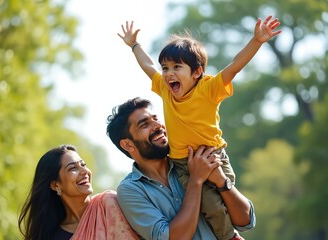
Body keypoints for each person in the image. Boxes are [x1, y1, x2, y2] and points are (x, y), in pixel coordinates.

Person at [118, 16, 280, 240]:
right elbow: (147, 65)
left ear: (196, 72)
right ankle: (230, 237)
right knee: (210, 205)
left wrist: (256, 41)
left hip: (214, 157)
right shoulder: (166, 90)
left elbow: (234, 67)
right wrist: (134, 46)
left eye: (177, 67)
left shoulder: (208, 88)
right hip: (183, 164)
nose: (168, 73)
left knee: (225, 198)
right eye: (165, 68)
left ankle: (231, 232)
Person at [106, 97, 256, 240]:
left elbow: (245, 222)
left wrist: (222, 182)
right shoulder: (130, 190)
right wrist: (196, 181)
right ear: (127, 145)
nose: (158, 126)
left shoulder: (194, 159)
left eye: (156, 119)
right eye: (144, 125)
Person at [18, 144, 139, 240]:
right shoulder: (54, 235)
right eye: (72, 168)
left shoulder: (108, 205)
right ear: (55, 185)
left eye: (83, 165)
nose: (84, 171)